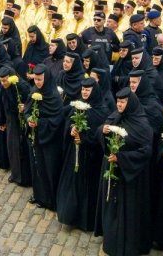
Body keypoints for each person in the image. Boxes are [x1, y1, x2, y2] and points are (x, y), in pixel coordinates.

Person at [98, 86, 153, 256]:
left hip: (132, 178)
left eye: (123, 102)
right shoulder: (116, 117)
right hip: (114, 172)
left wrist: (121, 158)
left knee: (129, 212)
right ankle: (112, 240)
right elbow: (101, 135)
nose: (119, 105)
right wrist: (103, 130)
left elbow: (146, 152)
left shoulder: (142, 124)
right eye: (118, 101)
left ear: (131, 103)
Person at [56, 78, 108, 232]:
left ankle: (85, 220)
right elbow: (68, 120)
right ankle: (69, 215)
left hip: (90, 158)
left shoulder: (101, 110)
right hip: (74, 153)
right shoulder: (77, 104)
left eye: (88, 90)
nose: (84, 92)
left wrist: (84, 139)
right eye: (83, 89)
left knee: (87, 189)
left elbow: (99, 136)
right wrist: (71, 129)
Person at [25, 63, 65, 211]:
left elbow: (57, 119)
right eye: (35, 79)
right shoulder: (34, 92)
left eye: (40, 79)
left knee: (50, 169)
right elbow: (27, 110)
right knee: (37, 167)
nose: (37, 82)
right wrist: (29, 118)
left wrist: (39, 123)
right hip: (37, 138)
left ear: (46, 78)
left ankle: (51, 199)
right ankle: (40, 195)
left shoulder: (53, 96)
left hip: (50, 140)